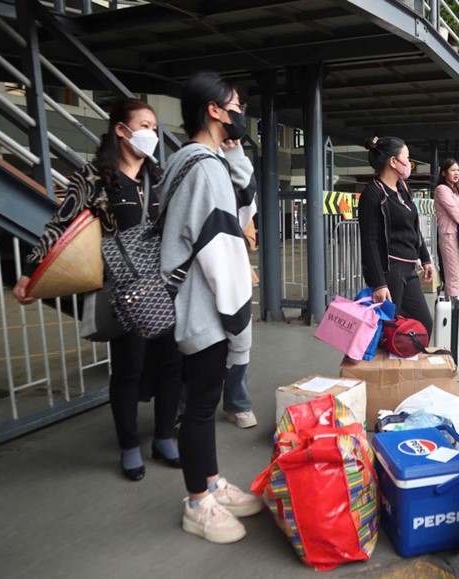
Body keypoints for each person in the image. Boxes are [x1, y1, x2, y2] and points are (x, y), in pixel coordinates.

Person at [12, 98, 182, 483]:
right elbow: (61, 224)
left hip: (163, 286)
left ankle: (163, 437)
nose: (152, 134)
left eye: (155, 128)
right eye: (144, 126)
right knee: (128, 368)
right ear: (122, 131)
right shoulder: (93, 178)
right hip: (121, 291)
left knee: (170, 363)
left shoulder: (160, 176)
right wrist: (29, 272)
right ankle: (128, 446)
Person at [160, 71, 262, 544]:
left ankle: (210, 481)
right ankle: (197, 503)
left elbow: (243, 204)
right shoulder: (203, 168)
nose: (241, 111)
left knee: (202, 402)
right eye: (234, 104)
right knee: (201, 408)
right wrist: (238, 316)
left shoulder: (200, 161)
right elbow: (223, 248)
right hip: (203, 308)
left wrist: (234, 149)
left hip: (198, 303)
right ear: (214, 111)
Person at [359, 135, 434, 335]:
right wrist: (379, 283)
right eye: (407, 158)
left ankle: (401, 361)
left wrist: (425, 259)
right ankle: (386, 364)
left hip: (409, 267)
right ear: (394, 161)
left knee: (424, 324)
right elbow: (369, 241)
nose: (409, 163)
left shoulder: (403, 188)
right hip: (389, 269)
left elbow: (413, 228)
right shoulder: (373, 193)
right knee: (391, 328)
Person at [220, 139, 258, 429]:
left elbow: (251, 240)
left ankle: (237, 403)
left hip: (234, 275)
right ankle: (183, 408)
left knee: (240, 339)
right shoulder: (193, 170)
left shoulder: (239, 194)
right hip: (195, 278)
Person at [433, 158, 459, 297]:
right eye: (452, 170)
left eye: (458, 170)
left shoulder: (457, 191)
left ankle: (453, 305)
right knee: (453, 275)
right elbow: (453, 210)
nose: (456, 173)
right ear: (444, 173)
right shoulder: (441, 189)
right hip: (449, 235)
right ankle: (451, 312)